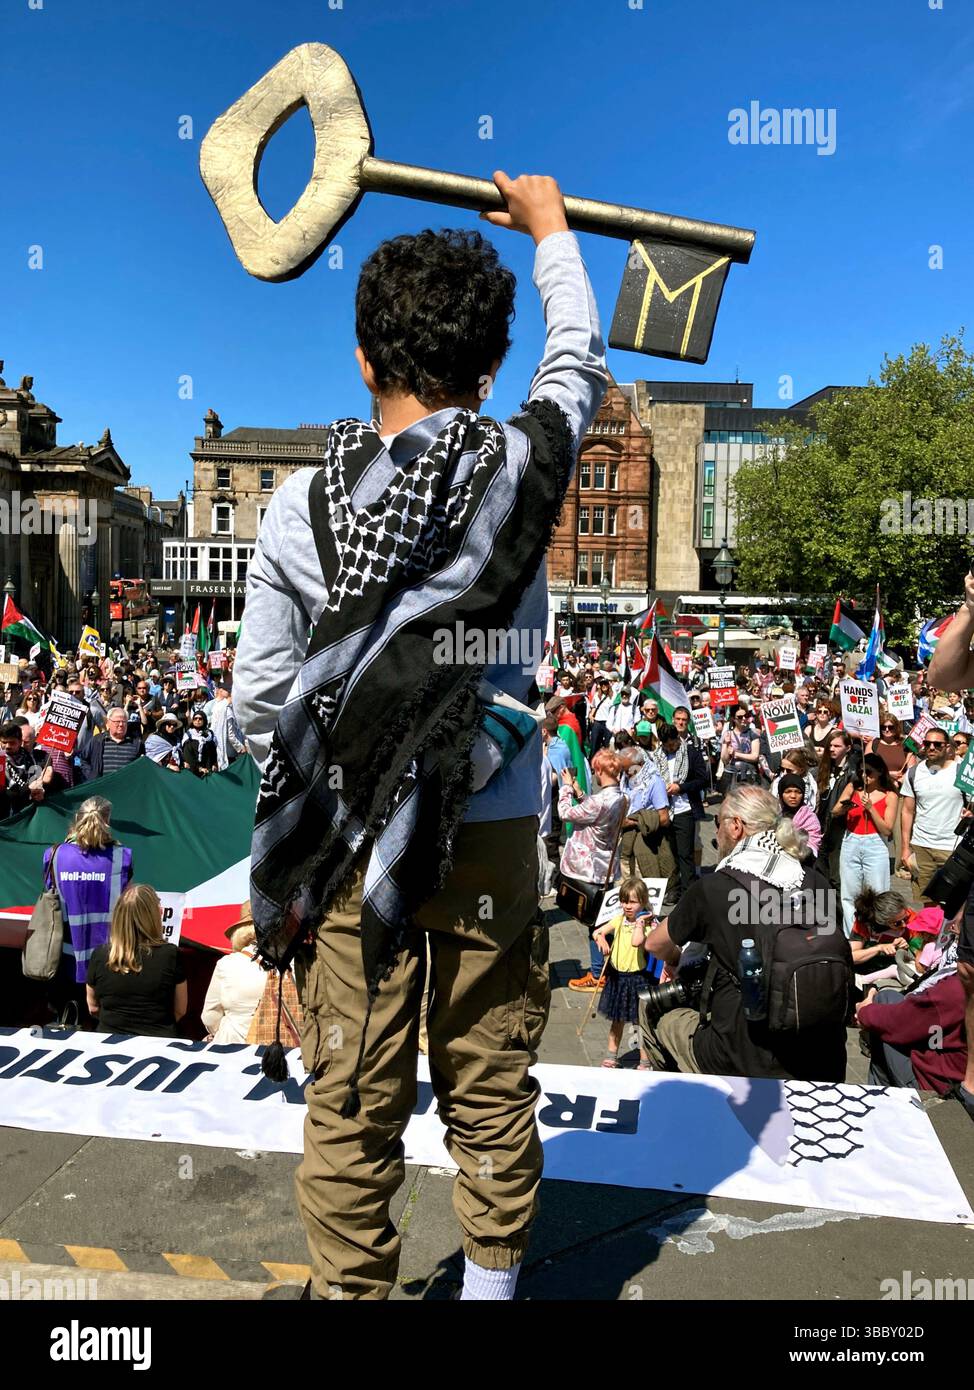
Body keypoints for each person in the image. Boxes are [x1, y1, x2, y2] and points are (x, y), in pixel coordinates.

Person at [232, 174, 608, 1301]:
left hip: (352, 845)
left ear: (362, 357)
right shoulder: (516, 471)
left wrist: (339, 776)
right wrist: (551, 235)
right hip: (490, 832)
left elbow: (259, 697)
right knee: (489, 1074)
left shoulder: (299, 506)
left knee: (350, 1090)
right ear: (488, 372)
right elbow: (578, 359)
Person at [640, 785, 851, 1081]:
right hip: (822, 1053)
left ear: (736, 826)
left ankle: (682, 1106)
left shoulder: (714, 888)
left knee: (655, 1011)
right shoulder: (816, 880)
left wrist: (676, 959)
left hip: (741, 1054)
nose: (717, 834)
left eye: (718, 823)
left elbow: (655, 943)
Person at [44, 797, 132, 1019]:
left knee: (62, 1027)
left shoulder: (53, 855)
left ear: (77, 819)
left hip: (62, 961)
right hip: (109, 962)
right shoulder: (122, 856)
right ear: (107, 821)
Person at [560, 749, 628, 992]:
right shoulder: (621, 797)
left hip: (589, 870)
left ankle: (598, 974)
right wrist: (579, 791)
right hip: (607, 867)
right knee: (604, 920)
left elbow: (565, 813)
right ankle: (606, 969)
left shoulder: (600, 802)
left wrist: (567, 788)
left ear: (599, 770)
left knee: (595, 924)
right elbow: (592, 809)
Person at [86, 884, 186, 1037]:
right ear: (154, 916)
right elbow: (180, 1010)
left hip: (108, 1041)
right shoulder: (171, 954)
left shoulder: (100, 954)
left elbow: (93, 1007)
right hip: (158, 1043)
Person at [856, 971, 968, 1094]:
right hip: (956, 1070)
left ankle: (878, 1096)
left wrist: (863, 1012)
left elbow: (899, 1023)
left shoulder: (958, 988)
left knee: (885, 1000)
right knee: (891, 1002)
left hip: (939, 1085)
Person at [833, 753, 898, 937]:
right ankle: (852, 935)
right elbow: (835, 810)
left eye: (868, 772)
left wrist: (870, 808)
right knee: (849, 893)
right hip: (851, 840)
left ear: (879, 772)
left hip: (874, 843)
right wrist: (846, 806)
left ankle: (877, 935)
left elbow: (887, 829)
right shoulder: (853, 788)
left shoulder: (889, 795)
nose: (864, 776)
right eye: (861, 771)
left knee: (878, 892)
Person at [593, 876, 654, 1069]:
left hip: (638, 979)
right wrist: (600, 938)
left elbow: (637, 942)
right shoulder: (618, 920)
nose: (627, 906)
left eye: (633, 902)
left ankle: (644, 1059)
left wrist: (640, 923)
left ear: (643, 902)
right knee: (617, 1020)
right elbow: (597, 932)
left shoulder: (647, 925)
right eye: (624, 901)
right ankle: (612, 1055)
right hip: (618, 978)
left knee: (640, 1023)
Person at [899, 725, 964, 903]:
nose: (932, 748)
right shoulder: (914, 773)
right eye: (927, 744)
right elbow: (907, 811)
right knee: (927, 905)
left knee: (953, 904)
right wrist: (905, 848)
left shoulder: (961, 772)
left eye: (937, 744)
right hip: (921, 847)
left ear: (948, 747)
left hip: (952, 847)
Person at [201, 903, 267, 1043]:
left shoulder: (226, 963)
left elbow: (209, 1016)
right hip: (278, 1045)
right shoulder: (290, 962)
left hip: (232, 1045)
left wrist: (217, 1032)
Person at [662, 712, 709, 898]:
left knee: (685, 853)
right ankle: (675, 887)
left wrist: (680, 787)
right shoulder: (659, 755)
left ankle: (689, 892)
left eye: (672, 745)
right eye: (666, 746)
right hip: (665, 810)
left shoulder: (691, 752)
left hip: (684, 808)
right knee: (670, 852)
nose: (670, 748)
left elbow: (703, 779)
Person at [80, 707, 144, 781]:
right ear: (108, 722)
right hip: (102, 789)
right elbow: (84, 759)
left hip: (127, 789)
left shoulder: (136, 743)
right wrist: (92, 777)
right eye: (117, 721)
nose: (121, 724)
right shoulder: (97, 741)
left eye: (124, 721)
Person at [777, 772, 822, 861]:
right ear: (781, 794)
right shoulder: (774, 815)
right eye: (788, 791)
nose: (793, 796)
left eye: (798, 792)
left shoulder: (809, 818)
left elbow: (813, 844)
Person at [719, 705, 760, 788]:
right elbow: (725, 760)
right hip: (732, 775)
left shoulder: (753, 733)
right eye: (740, 717)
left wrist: (736, 754)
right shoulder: (728, 734)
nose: (744, 719)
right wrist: (726, 744)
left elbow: (755, 756)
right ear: (734, 719)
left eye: (746, 716)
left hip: (749, 774)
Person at [182, 709, 218, 777]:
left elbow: (213, 752)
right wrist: (199, 768)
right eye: (195, 718)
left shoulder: (210, 734)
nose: (197, 720)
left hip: (208, 770)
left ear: (204, 720)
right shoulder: (189, 735)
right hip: (193, 771)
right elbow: (188, 755)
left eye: (200, 719)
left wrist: (214, 764)